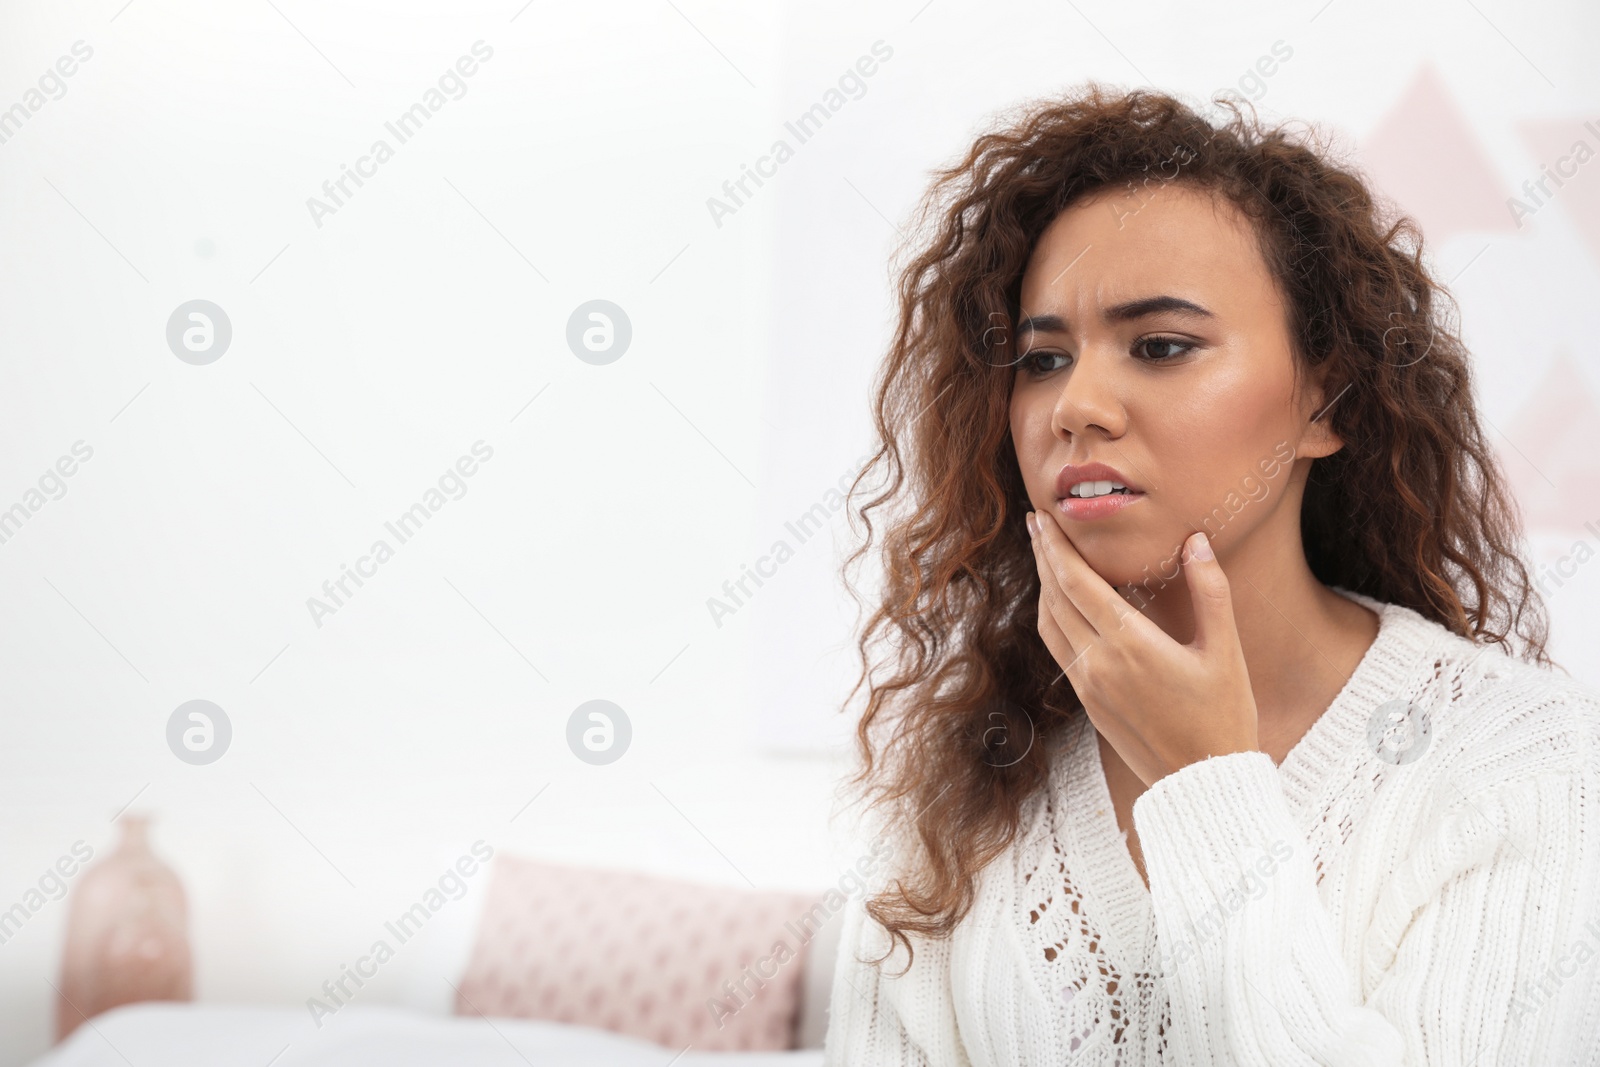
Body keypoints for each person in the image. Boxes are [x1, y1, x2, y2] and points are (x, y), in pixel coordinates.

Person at [823, 84, 1600, 1064]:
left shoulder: (1518, 758)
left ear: (1328, 401)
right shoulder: (968, 775)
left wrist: (1207, 784)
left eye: (1160, 346)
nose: (1078, 405)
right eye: (1042, 358)